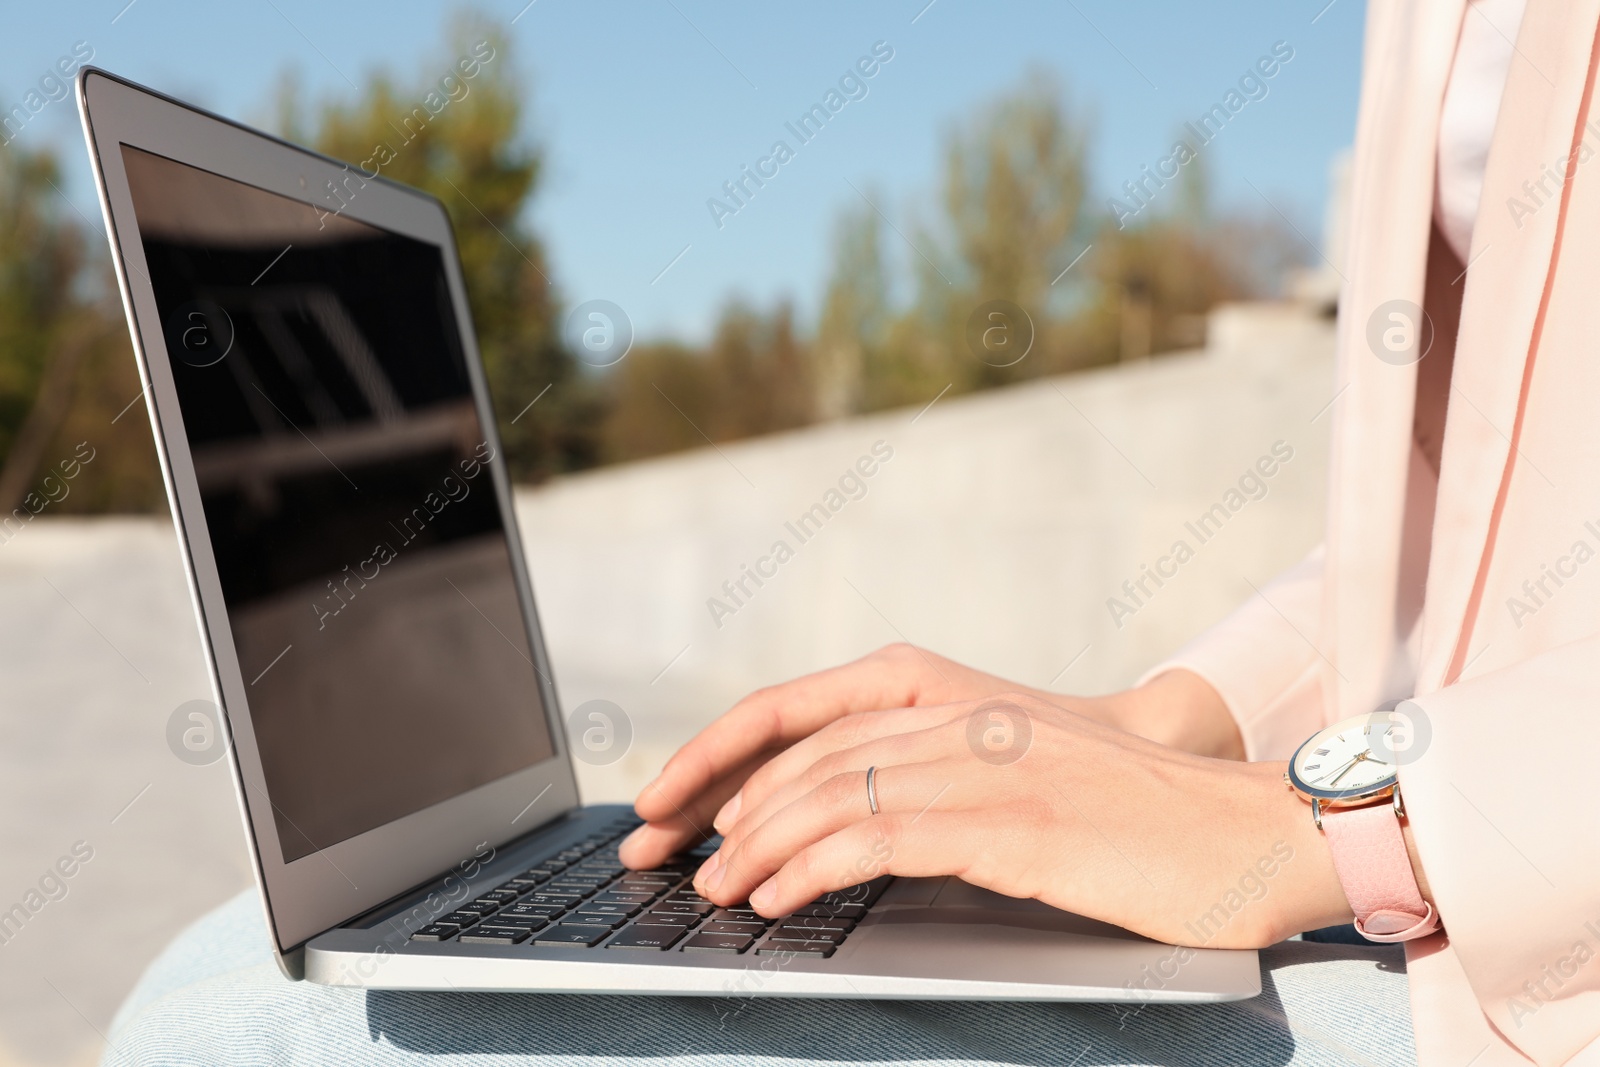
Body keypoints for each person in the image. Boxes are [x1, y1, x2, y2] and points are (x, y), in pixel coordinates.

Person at [102, 0, 1600, 1064]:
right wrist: (1169, 724)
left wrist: (1331, 830)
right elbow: (1452, 527)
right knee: (228, 950)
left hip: (1526, 974)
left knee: (234, 1027)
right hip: (1451, 875)